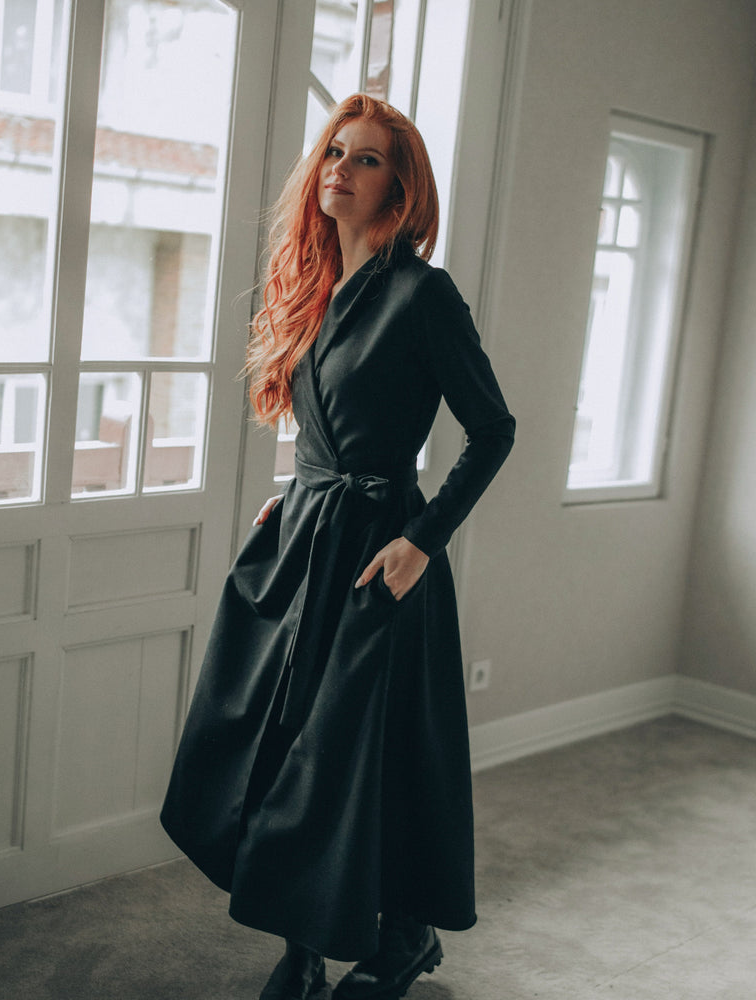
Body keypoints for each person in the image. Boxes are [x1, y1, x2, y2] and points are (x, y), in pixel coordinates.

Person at [161, 93, 515, 1000]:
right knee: (270, 739)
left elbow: (493, 430)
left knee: (345, 759)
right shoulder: (317, 287)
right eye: (334, 153)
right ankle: (306, 945)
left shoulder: (424, 295)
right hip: (305, 539)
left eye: (365, 159)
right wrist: (295, 494)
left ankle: (396, 938)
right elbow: (333, 428)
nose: (340, 170)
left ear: (401, 187)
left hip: (376, 558)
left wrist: (422, 541)